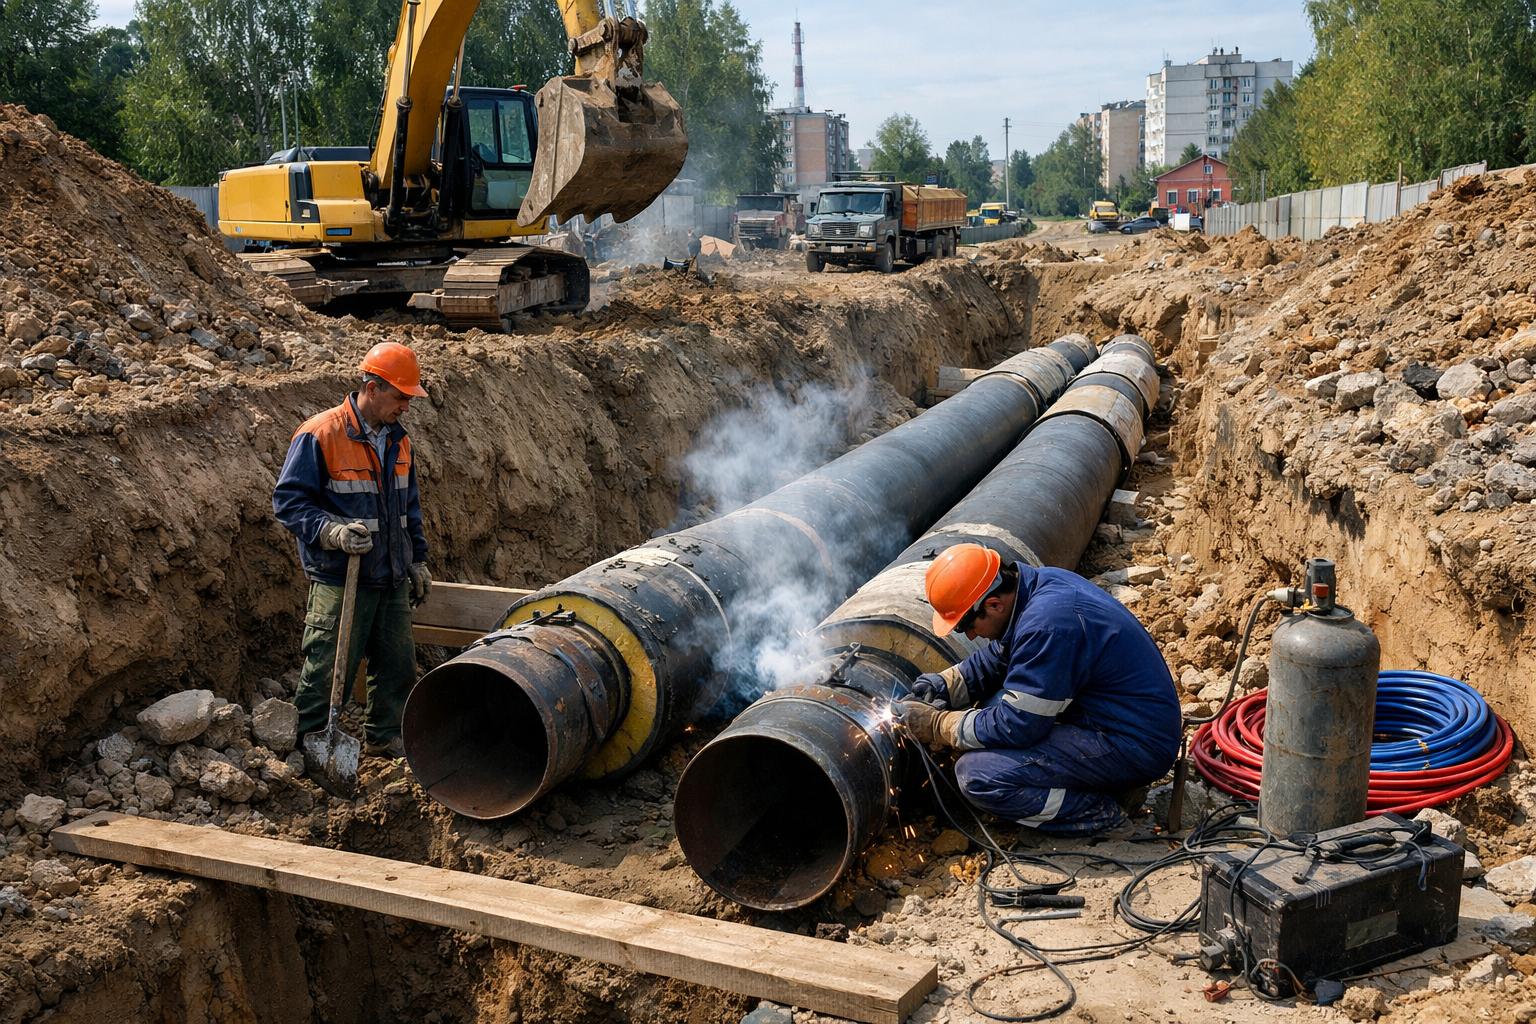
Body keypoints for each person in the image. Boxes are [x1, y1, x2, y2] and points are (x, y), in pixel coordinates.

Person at [897, 543, 1180, 835]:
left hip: (1134, 745)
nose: (968, 634)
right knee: (990, 710)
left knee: (978, 775)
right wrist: (943, 685)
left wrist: (939, 725)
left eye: (965, 625)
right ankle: (1101, 783)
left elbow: (1018, 725)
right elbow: (998, 658)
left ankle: (1100, 810)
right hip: (1115, 720)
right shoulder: (1035, 590)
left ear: (994, 604)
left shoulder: (1047, 625)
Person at [273, 342, 433, 760]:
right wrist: (332, 533)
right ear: (372, 387)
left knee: (397, 666)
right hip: (341, 577)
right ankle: (312, 747)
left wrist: (416, 558)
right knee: (328, 671)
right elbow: (289, 504)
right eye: (400, 397)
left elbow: (408, 507)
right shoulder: (320, 434)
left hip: (391, 575)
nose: (406, 407)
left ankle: (384, 736)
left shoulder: (400, 442)